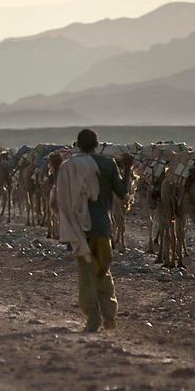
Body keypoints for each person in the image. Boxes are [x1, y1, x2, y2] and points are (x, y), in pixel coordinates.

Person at [56, 128, 128, 332]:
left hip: (81, 231)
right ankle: (109, 316)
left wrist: (55, 171)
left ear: (77, 145)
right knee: (103, 270)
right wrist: (129, 169)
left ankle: (94, 318)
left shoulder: (69, 167)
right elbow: (123, 192)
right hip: (103, 229)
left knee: (87, 272)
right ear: (97, 145)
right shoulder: (108, 164)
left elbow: (60, 197)